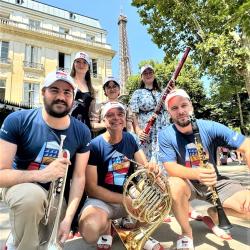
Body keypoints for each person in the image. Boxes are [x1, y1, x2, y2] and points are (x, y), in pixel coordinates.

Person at [0, 70, 91, 250]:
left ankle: (18, 235)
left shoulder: (82, 131)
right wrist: (42, 175)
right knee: (31, 199)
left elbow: (79, 177)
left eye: (67, 92)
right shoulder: (17, 120)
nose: (61, 97)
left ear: (73, 98)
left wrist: (68, 219)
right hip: (21, 188)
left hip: (56, 195)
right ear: (43, 92)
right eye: (54, 90)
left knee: (51, 243)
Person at [158, 88, 250, 249]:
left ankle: (215, 213)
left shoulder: (210, 126)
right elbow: (170, 167)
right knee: (173, 185)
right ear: (169, 113)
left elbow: (247, 146)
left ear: (191, 106)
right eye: (174, 108)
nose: (180, 111)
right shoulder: (165, 134)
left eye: (184, 105)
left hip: (215, 182)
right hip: (187, 183)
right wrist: (196, 173)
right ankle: (186, 232)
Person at [78, 102, 164, 250]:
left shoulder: (130, 139)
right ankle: (107, 226)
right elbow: (91, 189)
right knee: (90, 232)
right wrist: (125, 200)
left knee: (160, 194)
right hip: (102, 200)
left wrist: (152, 169)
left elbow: (145, 168)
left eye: (120, 114)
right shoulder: (94, 145)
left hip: (129, 196)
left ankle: (138, 232)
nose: (116, 118)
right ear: (103, 120)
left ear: (125, 118)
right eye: (110, 115)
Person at [129, 64, 169, 162]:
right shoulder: (137, 93)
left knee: (163, 155)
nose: (148, 74)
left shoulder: (161, 92)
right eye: (145, 73)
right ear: (141, 77)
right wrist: (138, 130)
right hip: (146, 130)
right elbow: (133, 112)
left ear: (154, 75)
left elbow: (168, 109)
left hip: (162, 129)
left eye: (150, 72)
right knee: (145, 158)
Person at [70, 51, 95, 130]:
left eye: (84, 62)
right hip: (68, 122)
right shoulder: (68, 81)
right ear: (74, 64)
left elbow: (92, 113)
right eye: (78, 61)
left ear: (88, 67)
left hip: (85, 125)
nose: (81, 65)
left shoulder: (91, 89)